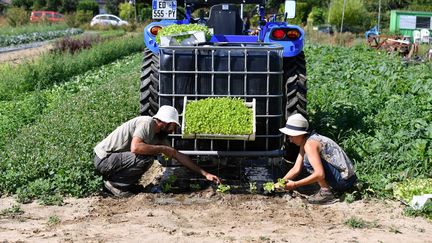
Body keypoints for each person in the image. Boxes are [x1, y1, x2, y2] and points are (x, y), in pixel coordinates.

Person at [94, 105, 221, 197]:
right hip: (104, 159)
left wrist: (205, 174)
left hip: (115, 160)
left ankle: (124, 183)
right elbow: (136, 147)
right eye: (173, 126)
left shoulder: (158, 135)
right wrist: (162, 148)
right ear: (166, 122)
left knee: (147, 156)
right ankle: (115, 185)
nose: (173, 130)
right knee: (146, 157)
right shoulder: (147, 122)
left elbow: (176, 154)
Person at [277, 113, 357, 204]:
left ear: (300, 134)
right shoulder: (307, 140)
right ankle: (331, 189)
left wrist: (294, 184)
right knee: (308, 159)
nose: (290, 140)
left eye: (291, 136)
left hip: (344, 180)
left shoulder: (310, 144)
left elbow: (320, 174)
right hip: (348, 178)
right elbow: (296, 168)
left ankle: (326, 193)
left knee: (308, 160)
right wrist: (280, 183)